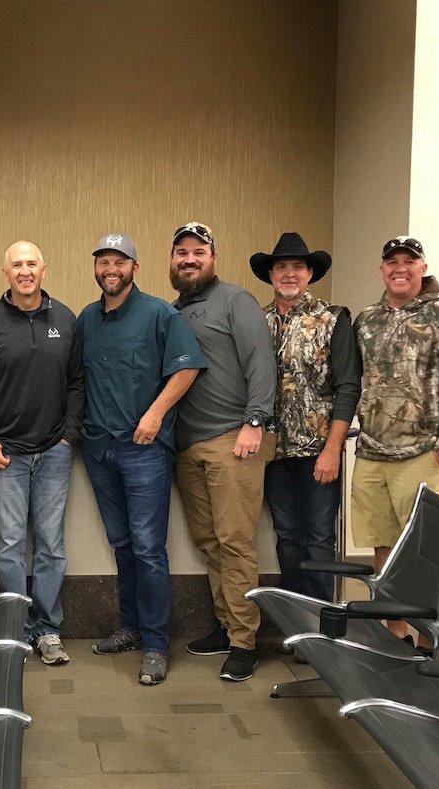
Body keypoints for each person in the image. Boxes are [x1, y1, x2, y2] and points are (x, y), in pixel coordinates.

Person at [79, 233, 205, 685]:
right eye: (103, 261)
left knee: (149, 549)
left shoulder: (159, 314)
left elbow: (188, 366)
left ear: (134, 266)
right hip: (99, 447)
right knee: (123, 546)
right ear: (96, 268)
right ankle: (130, 628)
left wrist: (155, 413)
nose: (110, 269)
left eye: (119, 261)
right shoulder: (87, 319)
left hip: (145, 450)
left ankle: (155, 644)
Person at [352, 236, 439, 636]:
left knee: (430, 552)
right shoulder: (367, 319)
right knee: (383, 548)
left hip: (422, 455)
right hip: (371, 455)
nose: (400, 268)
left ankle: (434, 638)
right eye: (391, 261)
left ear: (422, 267)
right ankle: (394, 631)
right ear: (382, 269)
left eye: (409, 261)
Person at [0, 240, 84, 666]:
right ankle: (15, 630)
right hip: (5, 456)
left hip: (54, 451)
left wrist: (69, 434)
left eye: (32, 263)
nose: (25, 270)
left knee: (52, 545)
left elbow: (77, 384)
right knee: (10, 545)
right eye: (17, 264)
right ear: (6, 273)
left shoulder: (66, 320)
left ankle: (47, 630)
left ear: (44, 269)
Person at [170, 221, 276, 682]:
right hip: (187, 446)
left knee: (235, 543)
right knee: (209, 543)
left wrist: (255, 422)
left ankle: (244, 641)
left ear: (213, 257)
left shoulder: (236, 301)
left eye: (198, 252)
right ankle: (225, 624)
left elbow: (261, 361)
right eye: (181, 253)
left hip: (233, 440)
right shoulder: (175, 309)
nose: (189, 259)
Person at [252, 232, 360, 603]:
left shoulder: (333, 319)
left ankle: (322, 625)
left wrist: (332, 451)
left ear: (310, 273)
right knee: (287, 537)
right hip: (272, 453)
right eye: (281, 266)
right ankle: (296, 623)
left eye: (297, 266)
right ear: (270, 275)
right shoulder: (257, 321)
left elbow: (348, 388)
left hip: (319, 453)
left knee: (318, 539)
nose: (289, 273)